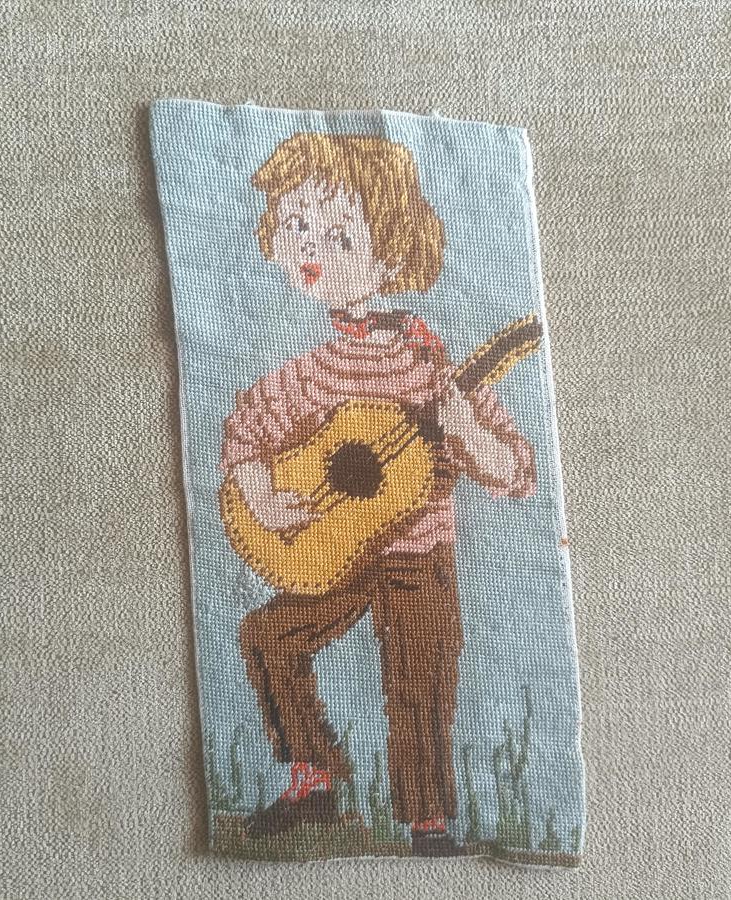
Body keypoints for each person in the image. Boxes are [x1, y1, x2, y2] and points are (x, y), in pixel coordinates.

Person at [220, 132, 537, 857]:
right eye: (296, 226)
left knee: (420, 674)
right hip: (331, 548)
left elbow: (514, 470)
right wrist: (262, 495)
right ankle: (314, 779)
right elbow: (247, 430)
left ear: (392, 255)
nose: (313, 248)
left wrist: (464, 429)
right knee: (268, 636)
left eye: (340, 235)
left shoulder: (433, 368)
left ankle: (428, 821)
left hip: (417, 554)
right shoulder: (316, 371)